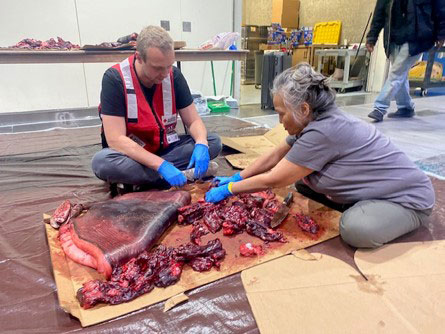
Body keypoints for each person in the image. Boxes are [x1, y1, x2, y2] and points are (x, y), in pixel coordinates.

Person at [206, 63, 435, 249]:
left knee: (355, 229)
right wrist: (239, 176)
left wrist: (229, 190)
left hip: (407, 200)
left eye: (281, 114)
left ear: (304, 109)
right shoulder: (313, 120)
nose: (279, 122)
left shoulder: (325, 130)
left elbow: (275, 179)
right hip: (375, 189)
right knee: (305, 183)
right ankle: (358, 204)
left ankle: (373, 213)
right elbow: (276, 154)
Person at [92, 26, 222, 193]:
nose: (165, 73)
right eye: (158, 68)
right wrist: (161, 166)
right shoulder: (115, 79)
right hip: (132, 155)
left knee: (213, 141)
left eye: (169, 66)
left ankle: (146, 179)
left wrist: (202, 144)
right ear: (139, 57)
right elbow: (115, 139)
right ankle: (168, 175)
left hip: (166, 149)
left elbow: (194, 120)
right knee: (102, 162)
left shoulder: (173, 76)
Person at [366, 0, 445, 122]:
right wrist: (372, 37)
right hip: (393, 38)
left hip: (416, 38)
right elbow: (379, 13)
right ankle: (405, 107)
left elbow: (441, 9)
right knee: (400, 74)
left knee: (396, 73)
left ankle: (379, 107)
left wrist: (441, 34)